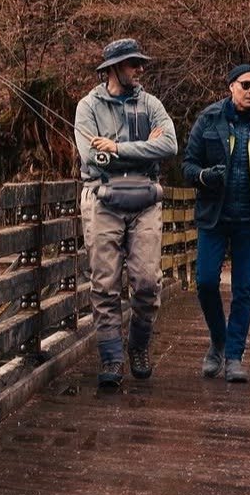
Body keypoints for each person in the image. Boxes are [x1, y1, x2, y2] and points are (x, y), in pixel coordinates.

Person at [74, 38, 177, 388]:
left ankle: (138, 346)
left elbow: (169, 145)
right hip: (102, 199)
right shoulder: (87, 107)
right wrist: (145, 148)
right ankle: (112, 358)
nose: (140, 69)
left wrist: (117, 147)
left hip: (146, 199)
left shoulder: (152, 104)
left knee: (148, 281)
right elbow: (91, 157)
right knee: (104, 283)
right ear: (114, 68)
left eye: (139, 63)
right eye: (133, 63)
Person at [182, 64, 250, 383]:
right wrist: (204, 177)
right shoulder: (209, 119)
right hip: (214, 217)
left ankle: (233, 357)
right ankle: (219, 338)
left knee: (243, 289)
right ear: (231, 87)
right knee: (204, 282)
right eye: (246, 85)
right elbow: (187, 165)